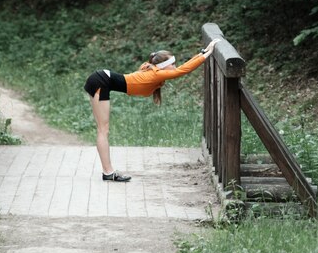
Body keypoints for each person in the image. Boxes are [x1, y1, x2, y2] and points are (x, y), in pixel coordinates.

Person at [83, 39, 220, 182]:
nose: (175, 66)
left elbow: (180, 69)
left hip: (101, 79)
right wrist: (206, 53)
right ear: (164, 66)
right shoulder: (156, 74)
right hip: (101, 80)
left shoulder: (155, 73)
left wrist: (203, 53)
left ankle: (108, 172)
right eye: (172, 64)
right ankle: (108, 172)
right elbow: (184, 70)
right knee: (103, 130)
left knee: (103, 129)